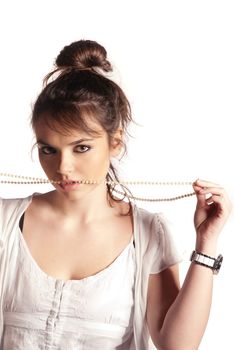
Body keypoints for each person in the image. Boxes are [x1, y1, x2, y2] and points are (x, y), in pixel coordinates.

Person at [0, 39, 231, 350]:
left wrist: (206, 243)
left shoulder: (148, 233)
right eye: (48, 149)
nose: (63, 167)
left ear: (115, 141)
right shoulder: (6, 221)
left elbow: (177, 345)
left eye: (81, 148)